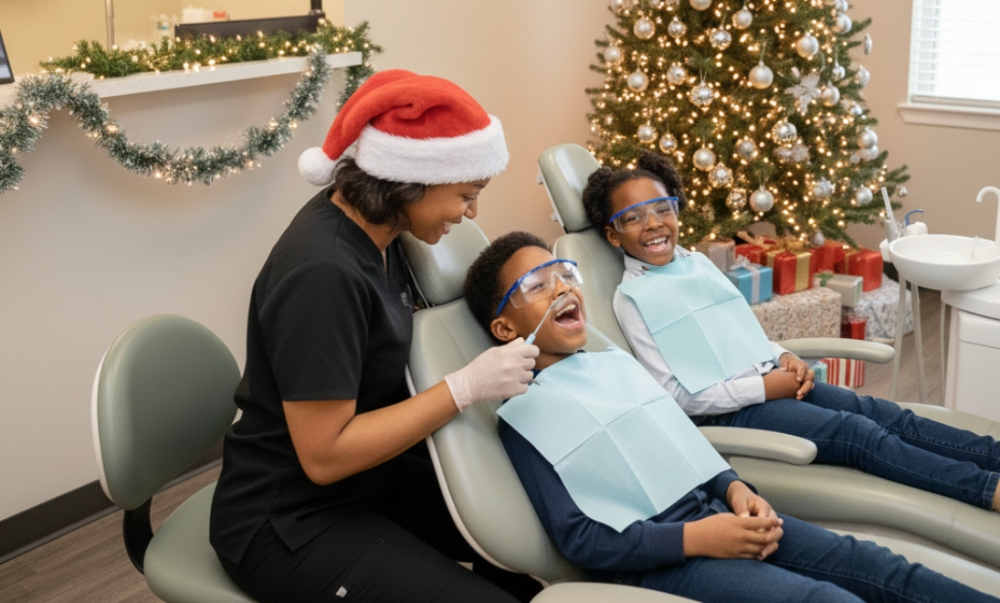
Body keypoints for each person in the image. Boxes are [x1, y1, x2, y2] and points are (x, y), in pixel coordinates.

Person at [463, 231, 1000, 603]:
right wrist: (698, 539)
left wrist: (735, 488)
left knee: (880, 567)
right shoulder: (524, 417)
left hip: (722, 512)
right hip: (662, 562)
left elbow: (686, 442)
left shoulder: (611, 365)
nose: (562, 287)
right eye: (537, 285)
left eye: (564, 274)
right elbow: (580, 540)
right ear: (505, 329)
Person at [209, 70, 544, 603]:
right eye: (466, 194)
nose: (471, 212)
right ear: (411, 180)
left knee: (529, 536)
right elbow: (325, 457)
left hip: (370, 479)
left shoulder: (383, 232)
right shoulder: (324, 273)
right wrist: (462, 388)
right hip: (289, 521)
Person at [579, 151, 1000, 512]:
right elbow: (675, 397)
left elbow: (740, 330)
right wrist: (764, 388)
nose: (654, 224)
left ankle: (993, 456)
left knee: (878, 411)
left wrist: (782, 356)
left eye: (662, 209)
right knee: (857, 433)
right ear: (613, 234)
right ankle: (986, 489)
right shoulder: (631, 299)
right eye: (634, 218)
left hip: (771, 376)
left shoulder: (695, 263)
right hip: (732, 410)